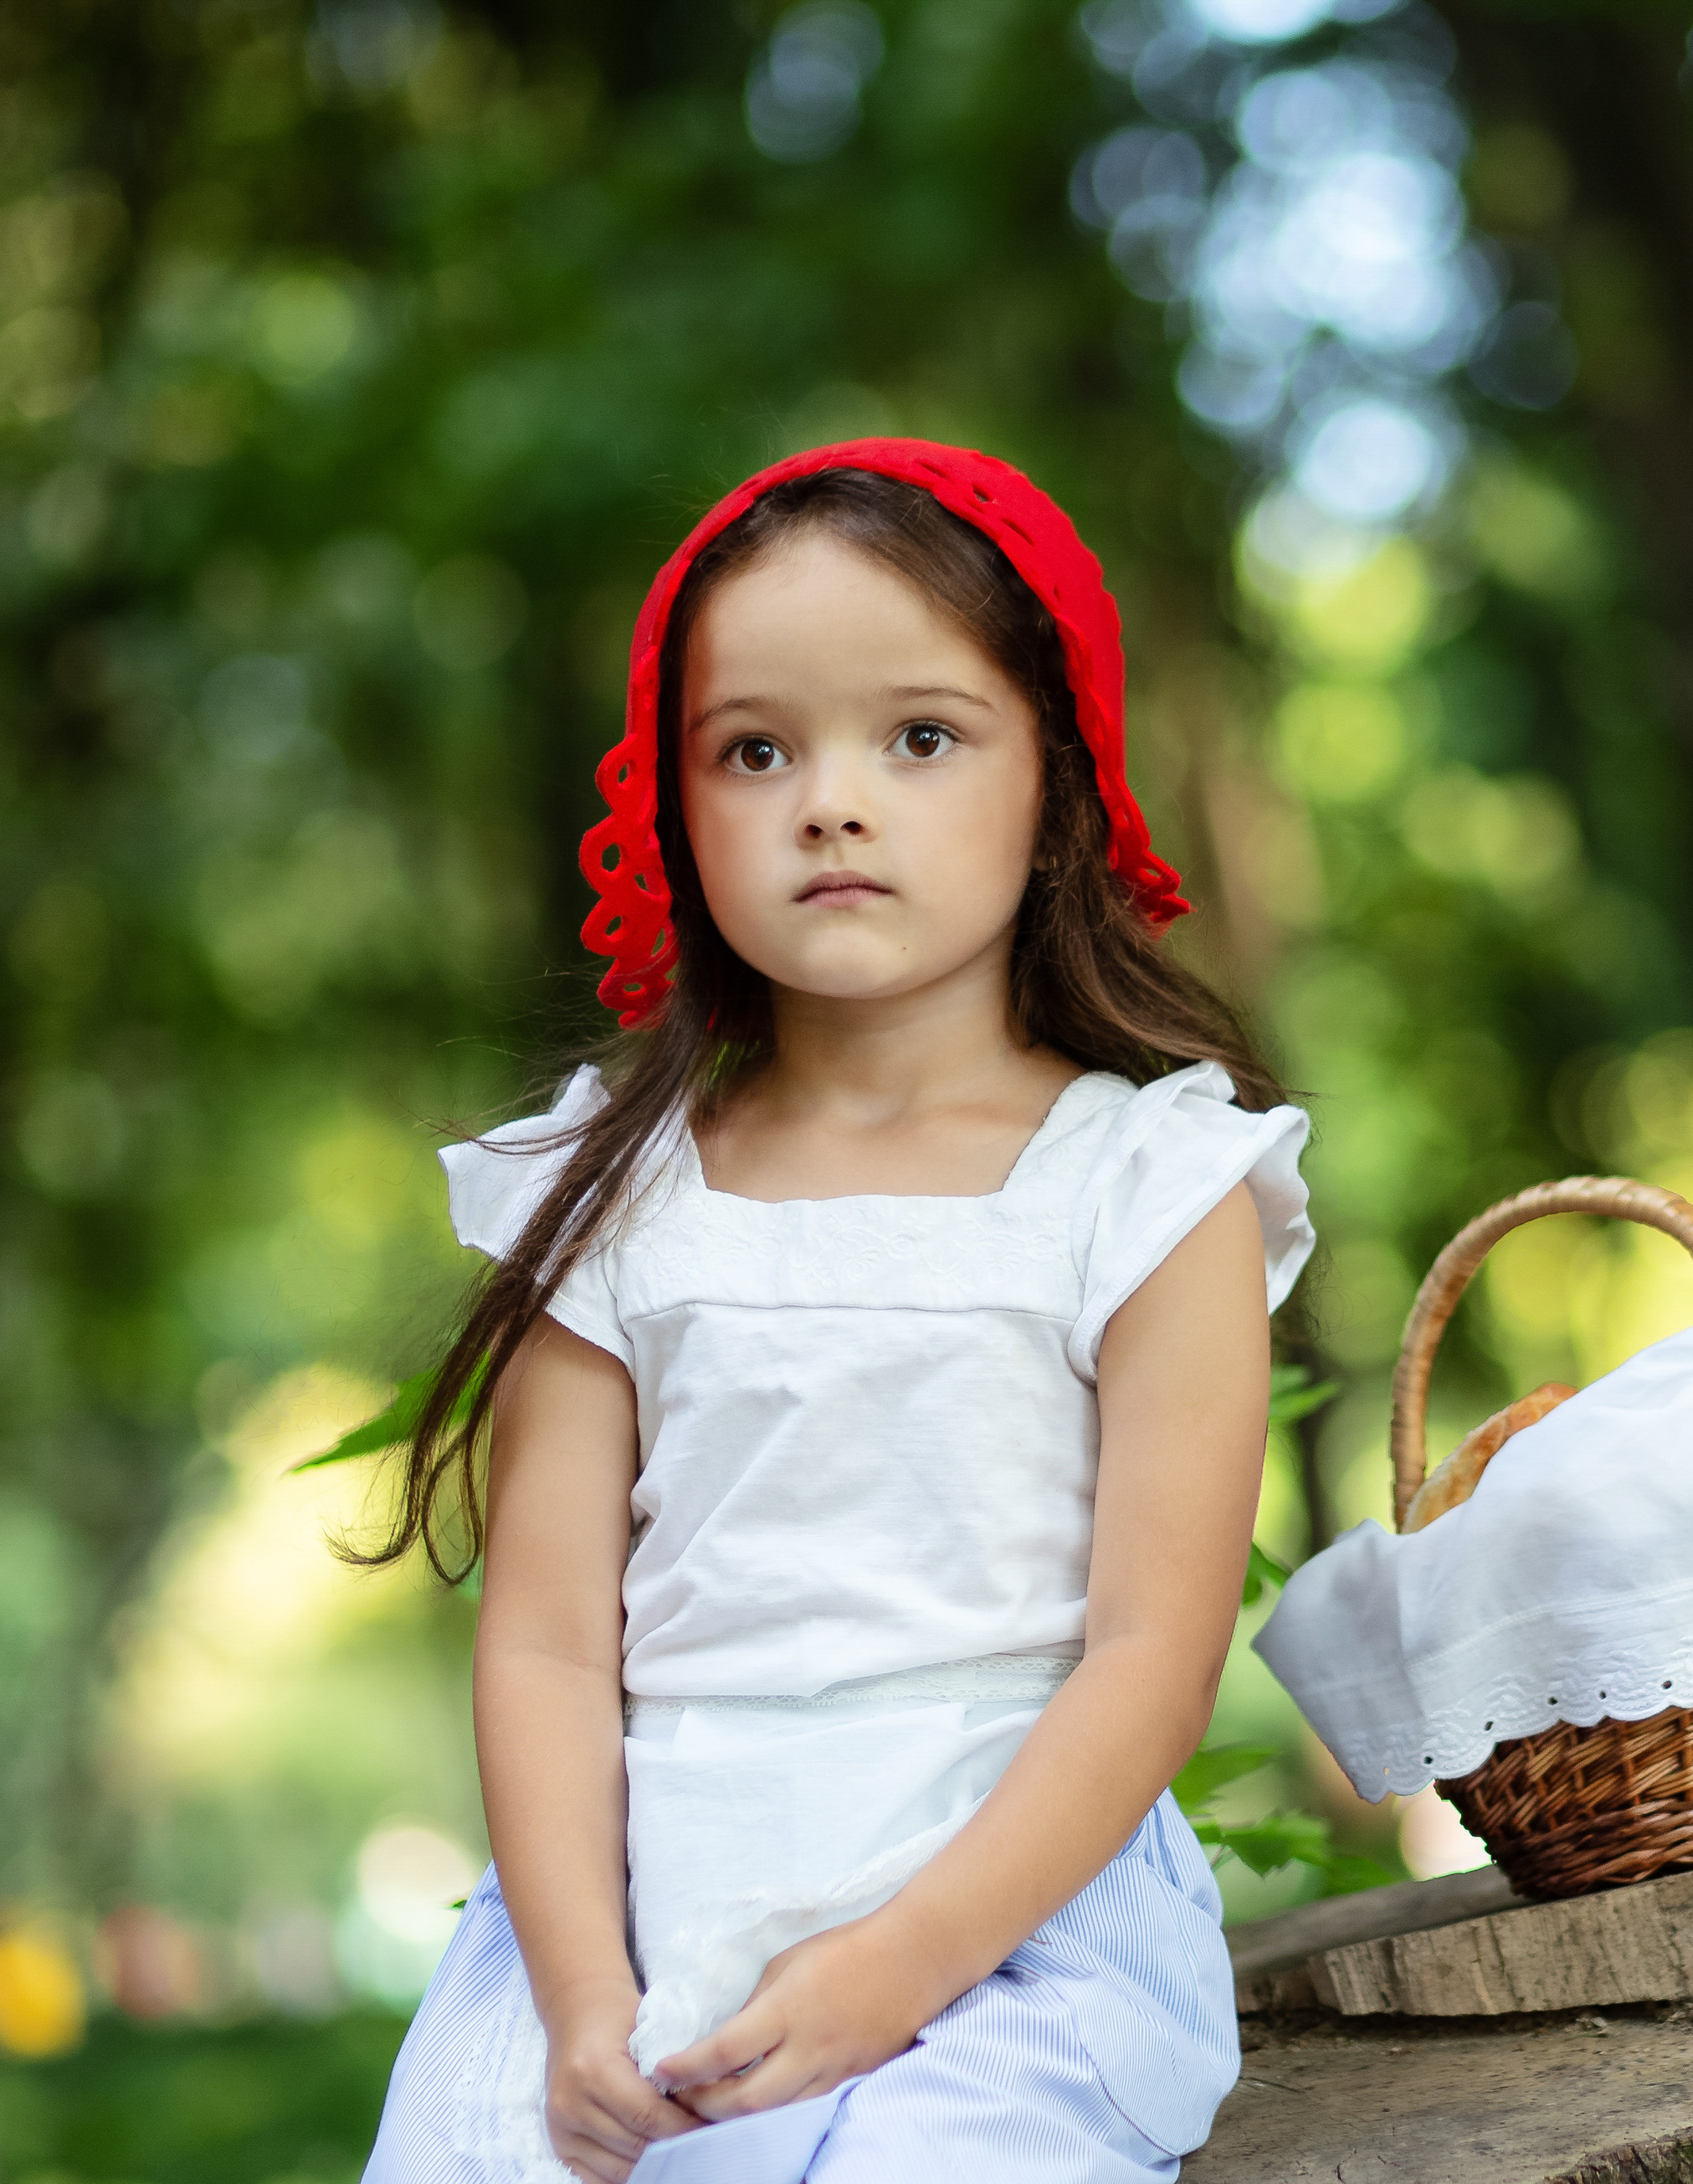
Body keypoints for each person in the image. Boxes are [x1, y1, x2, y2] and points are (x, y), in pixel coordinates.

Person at [356, 439, 1313, 2184]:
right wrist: (580, 2002)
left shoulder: (1149, 1191)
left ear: (1056, 785)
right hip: (629, 1909)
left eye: (922, 737)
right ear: (675, 810)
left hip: (1004, 1926)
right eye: (754, 749)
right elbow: (554, 1644)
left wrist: (899, 1967)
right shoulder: (613, 1196)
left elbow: (1147, 1663)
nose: (832, 800)